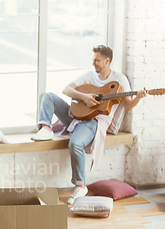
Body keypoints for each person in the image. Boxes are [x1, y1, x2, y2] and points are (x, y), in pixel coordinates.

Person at [31, 45, 147, 204]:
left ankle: (80, 185)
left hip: (95, 121)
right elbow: (66, 90)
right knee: (48, 96)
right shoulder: (89, 76)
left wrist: (138, 98)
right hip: (76, 116)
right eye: (93, 60)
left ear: (107, 61)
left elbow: (127, 106)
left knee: (75, 143)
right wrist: (84, 97)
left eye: (97, 60)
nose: (94, 64)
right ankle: (45, 128)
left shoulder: (120, 80)